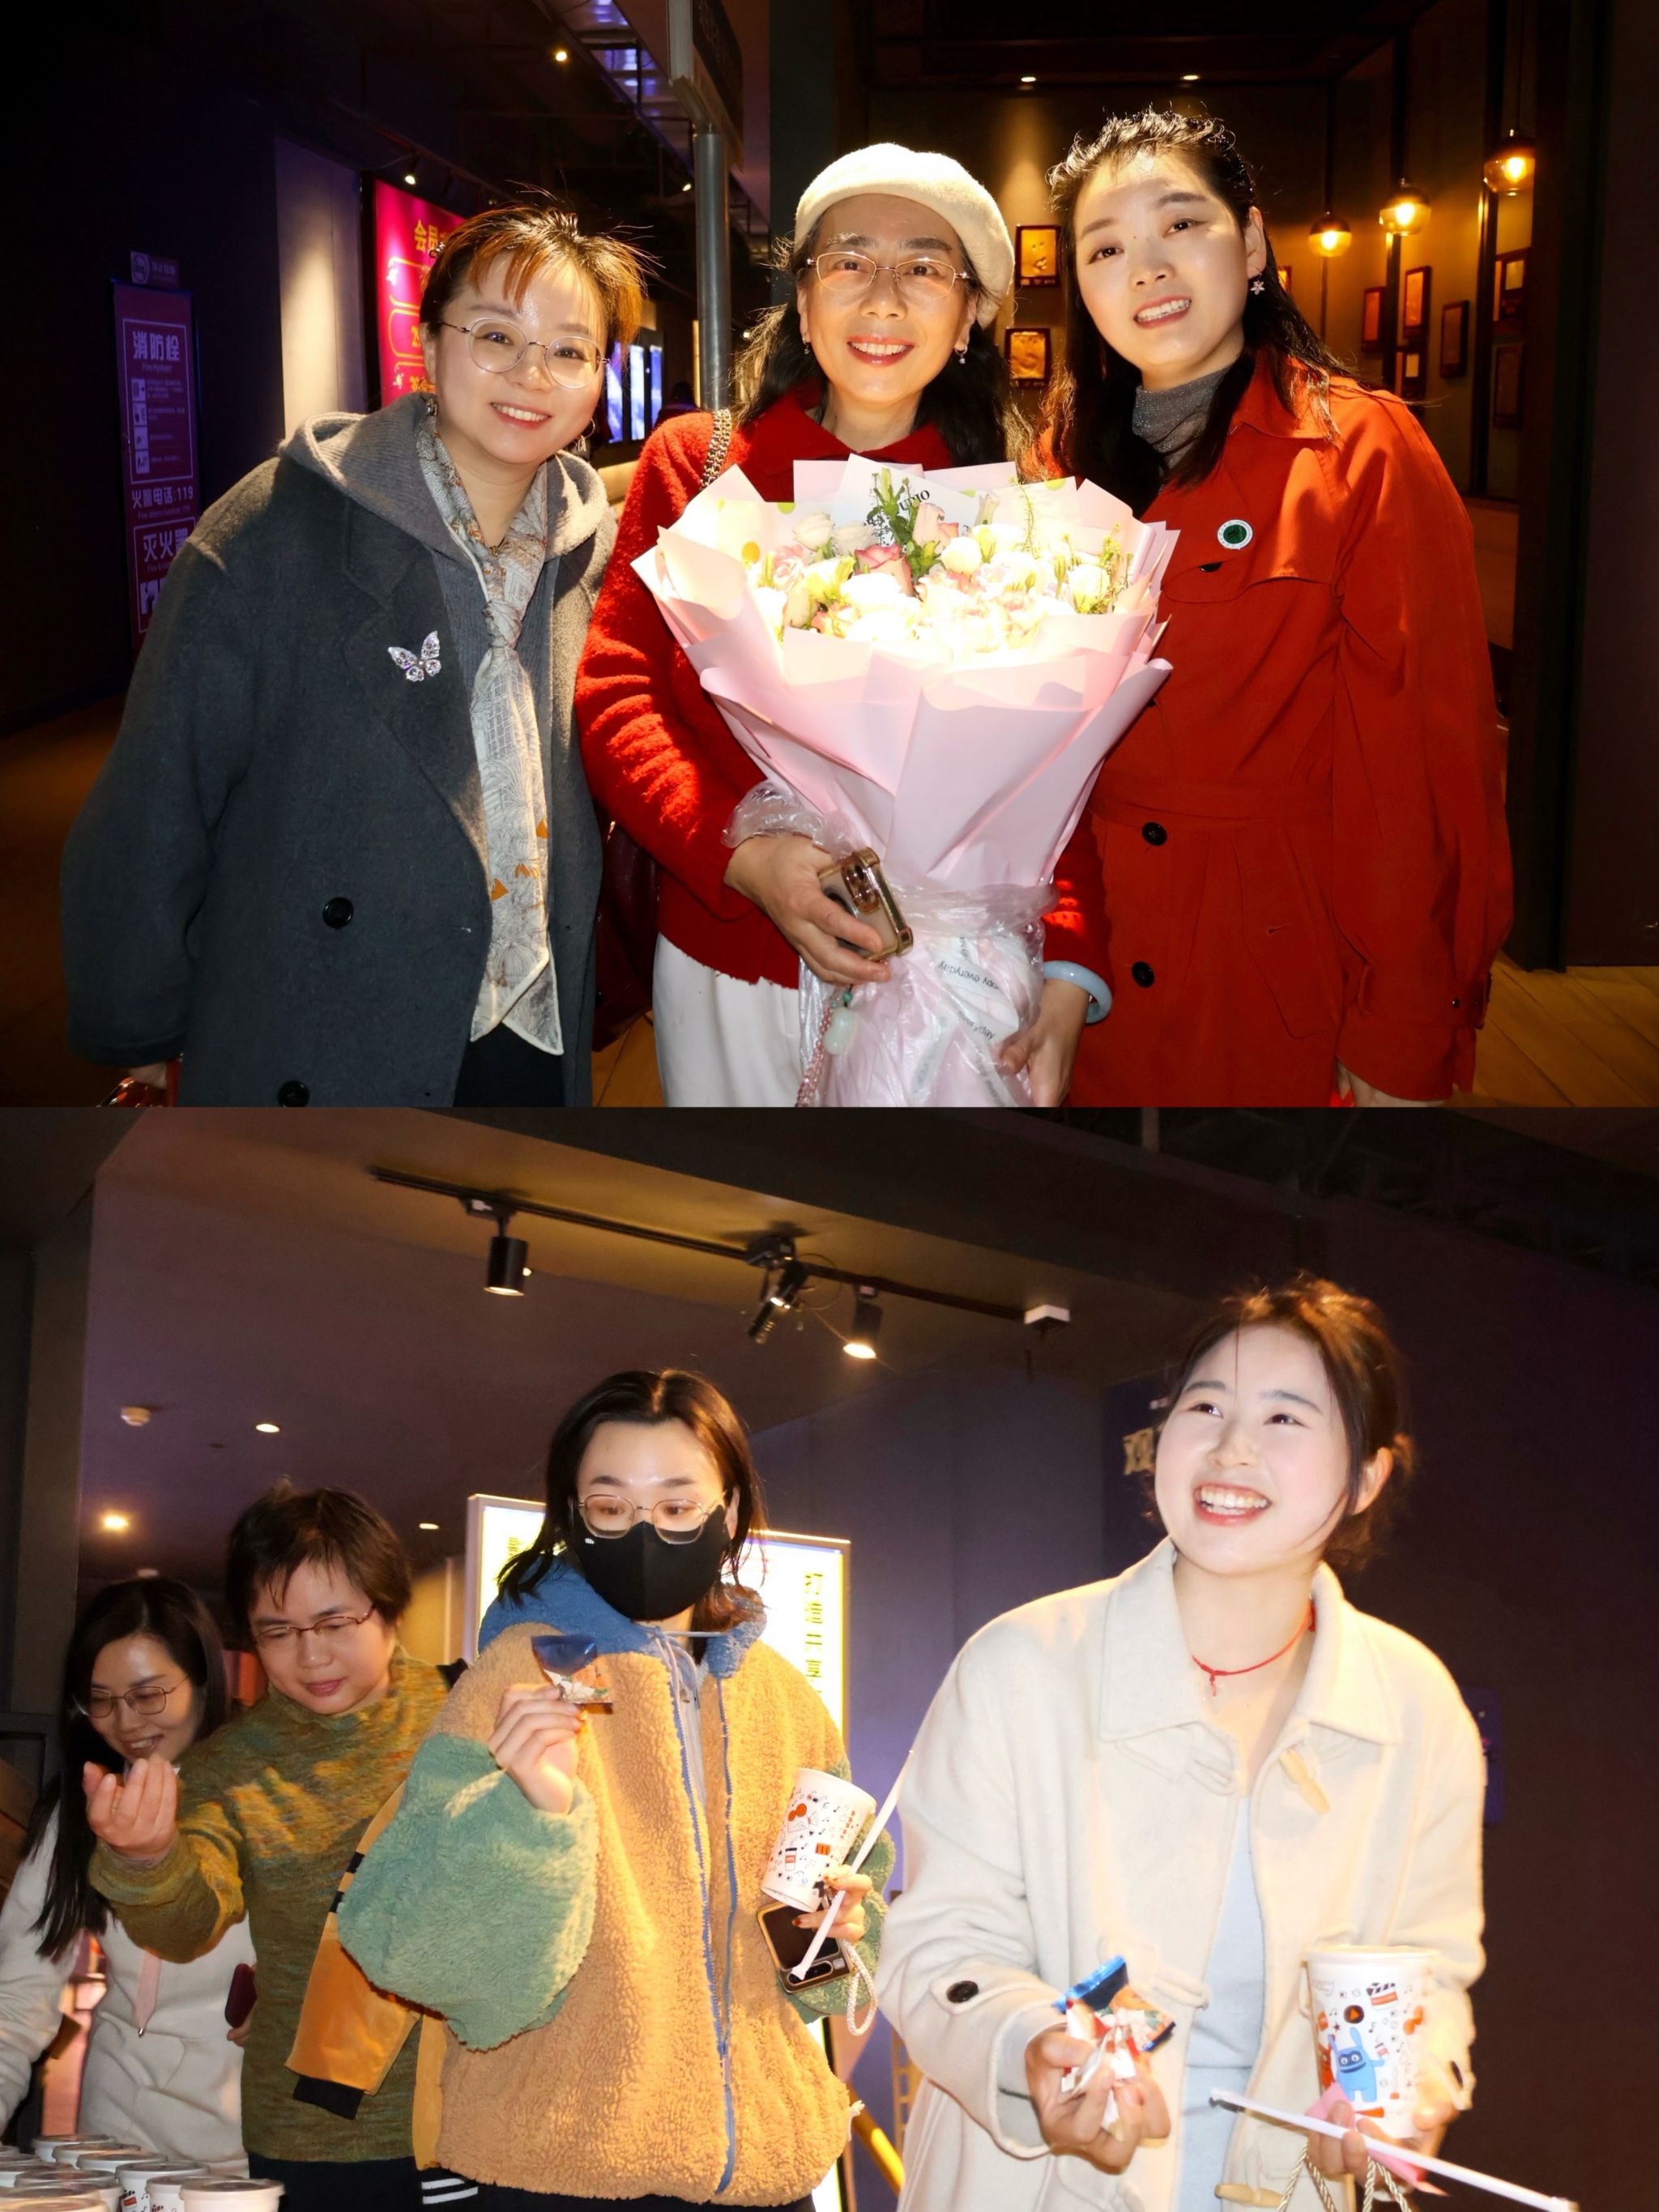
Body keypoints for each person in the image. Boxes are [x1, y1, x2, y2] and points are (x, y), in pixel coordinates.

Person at [879, 1276, 1485, 2212]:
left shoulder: (1412, 1704)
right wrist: (1027, 2045)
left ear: (1365, 1476)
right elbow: (939, 1943)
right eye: (1204, 1407)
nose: (1231, 1447)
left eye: (1283, 1417)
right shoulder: (1020, 1665)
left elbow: (1429, 1966)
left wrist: (1406, 2097)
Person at [62, 199, 647, 1106]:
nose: (532, 374)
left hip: (532, 1024)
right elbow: (158, 793)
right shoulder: (276, 528)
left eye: (569, 350)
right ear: (432, 342)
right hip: (325, 1023)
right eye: (496, 335)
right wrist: (139, 1024)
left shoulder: (593, 550)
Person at [577, 144, 1109, 1106]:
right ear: (802, 295)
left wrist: (1069, 961)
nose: (882, 298)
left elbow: (1057, 770)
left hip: (954, 974)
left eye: (923, 268)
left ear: (971, 314)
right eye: (849, 261)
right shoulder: (699, 467)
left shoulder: (1014, 508)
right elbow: (619, 697)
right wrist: (742, 856)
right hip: (734, 954)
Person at [1037, 109, 1511, 1106]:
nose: (1146, 268)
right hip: (1081, 966)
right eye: (1105, 248)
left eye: (1181, 224)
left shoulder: (1358, 450)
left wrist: (1402, 1025)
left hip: (1274, 970)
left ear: (1251, 244)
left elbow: (1419, 769)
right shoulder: (1057, 458)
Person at [336, 1370, 893, 2211]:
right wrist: (526, 1816)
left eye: (677, 1505)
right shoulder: (519, 1675)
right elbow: (408, 1946)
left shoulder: (784, 1698)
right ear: (572, 1515)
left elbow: (824, 1976)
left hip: (764, 2173)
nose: (643, 1532)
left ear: (730, 1510)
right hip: (558, 2167)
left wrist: (832, 1934)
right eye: (609, 1506)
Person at [87, 1487, 448, 2212]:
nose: (311, 1655)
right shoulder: (231, 1767)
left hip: (477, 2111)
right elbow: (189, 1924)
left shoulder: (467, 1718)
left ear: (389, 1609)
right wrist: (148, 1859)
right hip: (315, 2133)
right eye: (277, 1631)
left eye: (335, 1622)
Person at [0, 1578, 253, 2160]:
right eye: (102, 1700)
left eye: (148, 1694)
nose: (126, 1721)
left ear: (203, 1680)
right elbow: (18, 1998)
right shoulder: (82, 1810)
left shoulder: (261, 1802)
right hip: (113, 2141)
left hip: (243, 2149)